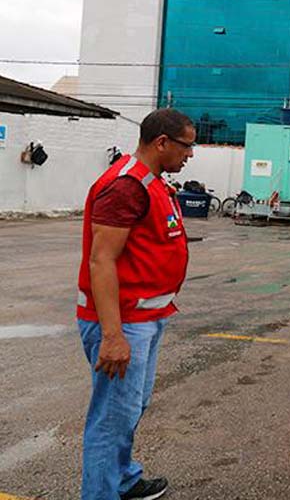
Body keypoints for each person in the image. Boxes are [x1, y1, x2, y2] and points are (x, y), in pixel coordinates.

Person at [76, 108, 195, 500]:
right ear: (162, 142)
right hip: (123, 322)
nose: (190, 155)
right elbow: (102, 260)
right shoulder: (127, 186)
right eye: (186, 146)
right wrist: (112, 336)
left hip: (146, 316)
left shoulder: (152, 182)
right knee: (111, 421)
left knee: (128, 410)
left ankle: (123, 480)